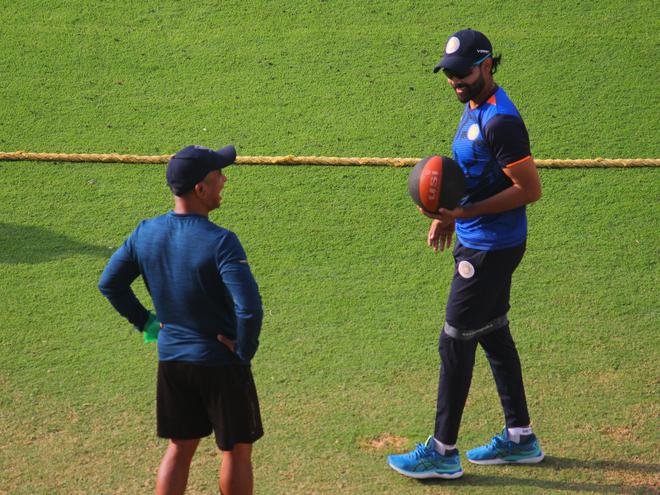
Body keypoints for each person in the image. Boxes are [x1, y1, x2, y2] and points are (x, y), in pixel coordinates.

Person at [388, 29, 544, 479]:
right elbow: (476, 173)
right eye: (450, 74)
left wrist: (467, 210)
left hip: (491, 248)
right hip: (480, 237)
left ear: (488, 65)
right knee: (493, 332)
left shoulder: (501, 122)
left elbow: (528, 189)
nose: (456, 80)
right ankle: (521, 439)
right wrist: (451, 215)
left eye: (464, 72)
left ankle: (442, 450)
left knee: (454, 339)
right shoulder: (474, 106)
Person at [98, 144, 264, 495]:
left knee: (180, 447)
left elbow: (110, 283)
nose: (224, 179)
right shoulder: (221, 242)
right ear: (200, 190)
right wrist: (243, 352)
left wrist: (147, 323)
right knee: (236, 449)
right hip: (220, 363)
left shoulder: (145, 233)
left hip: (172, 361)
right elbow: (249, 308)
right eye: (218, 175)